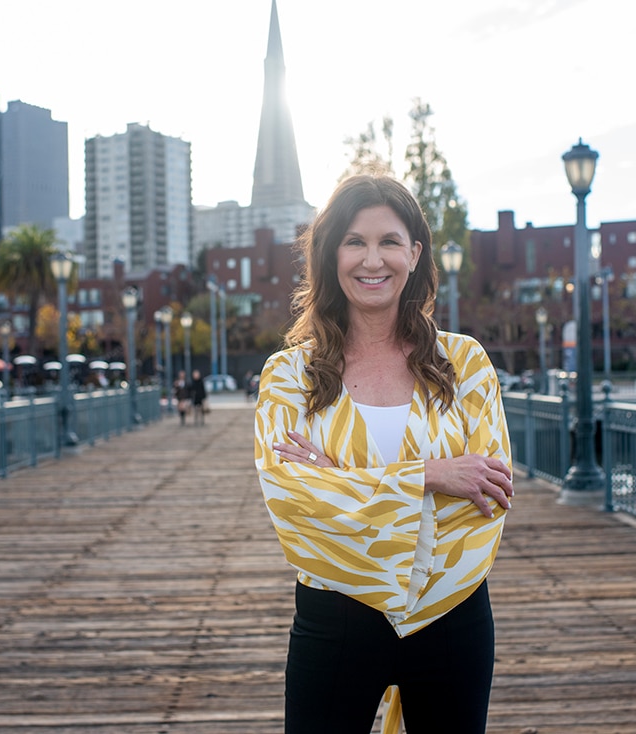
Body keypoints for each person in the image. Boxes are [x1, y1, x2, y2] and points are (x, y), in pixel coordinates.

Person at [254, 173, 514, 734]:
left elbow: (488, 496)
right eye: (355, 241)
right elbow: (294, 503)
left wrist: (342, 483)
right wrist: (430, 475)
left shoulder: (465, 364)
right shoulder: (288, 376)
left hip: (451, 611)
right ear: (330, 254)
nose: (373, 260)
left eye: (389, 241)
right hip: (336, 618)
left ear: (415, 253)